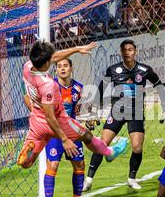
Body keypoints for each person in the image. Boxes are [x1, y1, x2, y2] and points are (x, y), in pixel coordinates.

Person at [17, 40, 128, 178]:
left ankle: (25, 155)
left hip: (36, 122)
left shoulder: (27, 67)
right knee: (87, 136)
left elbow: (54, 57)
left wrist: (76, 49)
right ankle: (110, 153)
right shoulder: (47, 85)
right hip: (57, 121)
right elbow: (50, 117)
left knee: (27, 163)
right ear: (47, 63)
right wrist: (64, 140)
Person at [83, 39, 165, 191]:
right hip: (117, 111)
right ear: (121, 53)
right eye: (124, 50)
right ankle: (88, 180)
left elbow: (159, 85)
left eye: (130, 50)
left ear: (135, 51)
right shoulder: (112, 70)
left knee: (137, 147)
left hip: (136, 113)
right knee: (102, 144)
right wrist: (94, 112)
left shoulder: (145, 70)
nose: (127, 53)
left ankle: (132, 178)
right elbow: (100, 90)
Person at [23, 58, 94, 197]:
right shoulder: (49, 85)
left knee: (79, 164)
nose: (62, 69)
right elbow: (27, 98)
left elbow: (75, 110)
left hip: (71, 131)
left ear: (71, 68)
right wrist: (38, 116)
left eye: (65, 66)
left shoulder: (78, 88)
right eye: (59, 66)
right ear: (55, 70)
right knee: (53, 164)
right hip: (54, 132)